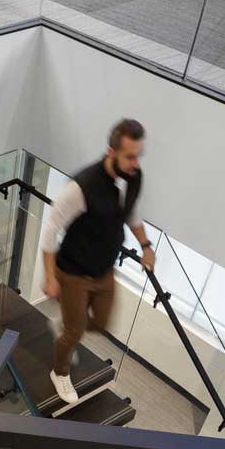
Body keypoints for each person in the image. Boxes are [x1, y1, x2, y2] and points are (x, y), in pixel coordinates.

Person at [40, 118, 156, 405]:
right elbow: (51, 227)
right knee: (75, 331)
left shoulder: (130, 177)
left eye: (138, 156)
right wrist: (50, 276)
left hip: (104, 270)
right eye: (129, 156)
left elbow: (130, 212)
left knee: (102, 323)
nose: (135, 164)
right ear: (111, 153)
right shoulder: (81, 188)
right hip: (74, 272)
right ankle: (60, 372)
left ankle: (66, 323)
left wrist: (146, 245)